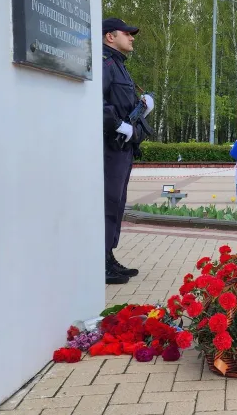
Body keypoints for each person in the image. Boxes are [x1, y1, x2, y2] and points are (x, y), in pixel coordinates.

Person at [102, 17, 153, 285]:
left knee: (117, 202)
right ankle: (101, 260)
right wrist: (120, 126)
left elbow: (122, 103)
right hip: (110, 146)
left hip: (122, 148)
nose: (132, 38)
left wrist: (142, 105)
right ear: (110, 37)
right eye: (127, 33)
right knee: (108, 201)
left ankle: (107, 256)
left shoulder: (119, 66)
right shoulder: (104, 64)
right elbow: (97, 104)